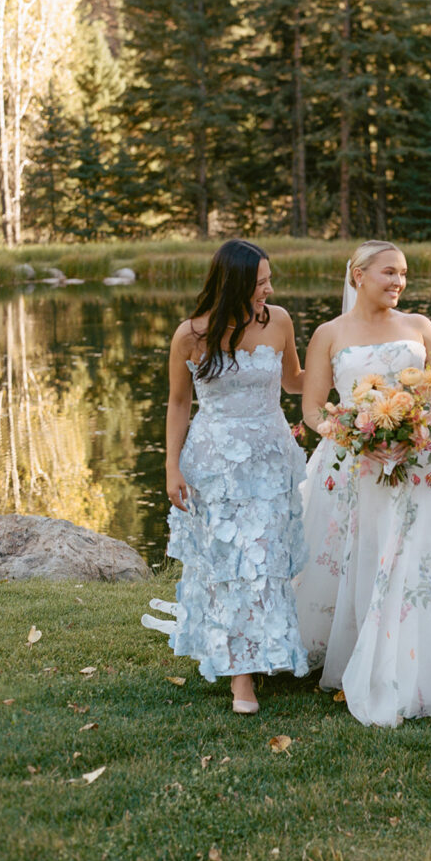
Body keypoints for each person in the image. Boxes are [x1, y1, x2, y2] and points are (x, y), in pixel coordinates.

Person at [293, 240, 431, 727]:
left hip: (422, 460)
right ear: (358, 276)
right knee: (364, 551)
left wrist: (416, 433)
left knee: (421, 557)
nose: (398, 282)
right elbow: (310, 409)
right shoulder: (328, 333)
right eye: (389, 272)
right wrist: (352, 437)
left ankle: (421, 658)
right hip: (354, 463)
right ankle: (357, 647)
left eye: (404, 274)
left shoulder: (420, 327)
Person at [141, 239, 309, 714]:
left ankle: (262, 651)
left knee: (266, 560)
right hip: (215, 464)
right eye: (259, 283)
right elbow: (178, 403)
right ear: (232, 284)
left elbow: (295, 380)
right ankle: (241, 679)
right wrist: (171, 465)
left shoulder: (278, 321)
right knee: (229, 566)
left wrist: (347, 365)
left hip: (273, 462)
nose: (268, 290)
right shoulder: (189, 336)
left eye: (268, 280)